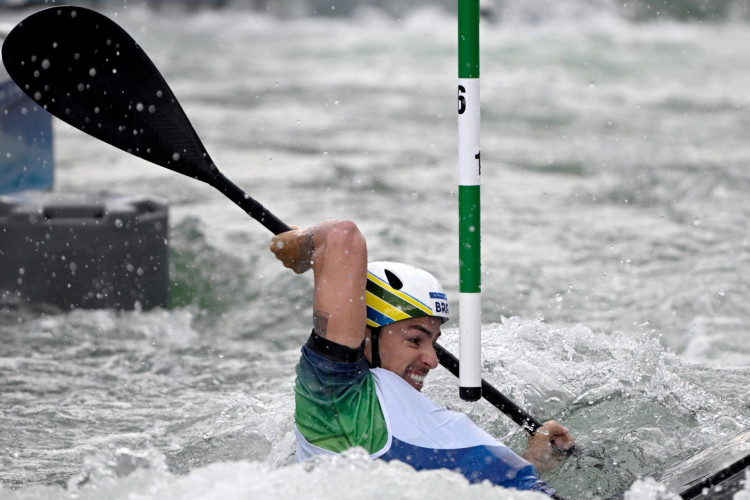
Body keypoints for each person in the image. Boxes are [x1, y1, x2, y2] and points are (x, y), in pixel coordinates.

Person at [270, 219, 574, 496]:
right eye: (415, 340)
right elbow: (340, 236)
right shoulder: (336, 396)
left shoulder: (403, 406)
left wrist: (533, 462)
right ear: (363, 334)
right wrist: (301, 248)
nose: (432, 360)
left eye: (434, 342)